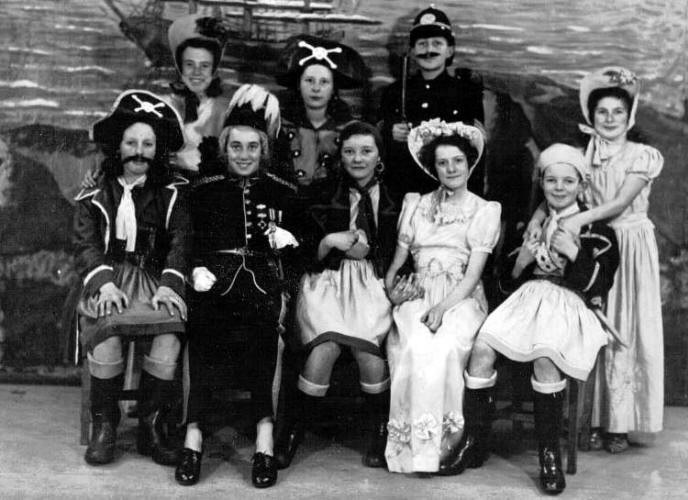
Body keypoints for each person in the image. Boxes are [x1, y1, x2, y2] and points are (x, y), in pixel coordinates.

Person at [463, 144, 619, 494]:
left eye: (568, 181)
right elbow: (503, 284)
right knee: (481, 349)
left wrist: (575, 253)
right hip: (526, 301)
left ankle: (549, 456)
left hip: (570, 303)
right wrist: (521, 262)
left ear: (582, 185)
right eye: (551, 180)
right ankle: (475, 440)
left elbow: (601, 284)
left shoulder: (598, 230)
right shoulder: (527, 224)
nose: (559, 188)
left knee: (546, 356)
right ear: (542, 183)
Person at [525, 67, 664, 453]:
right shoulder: (582, 153)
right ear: (591, 114)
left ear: (629, 115)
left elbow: (618, 204)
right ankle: (587, 418)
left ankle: (618, 424)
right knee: (590, 326)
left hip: (629, 244)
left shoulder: (642, 155)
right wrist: (537, 218)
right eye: (602, 111)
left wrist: (573, 221)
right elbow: (559, 188)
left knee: (624, 325)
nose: (609, 119)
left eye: (618, 112)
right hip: (593, 246)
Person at [175, 84, 299, 489]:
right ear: (225, 148)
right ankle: (193, 437)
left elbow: (304, 248)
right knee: (202, 329)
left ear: (264, 149)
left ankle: (264, 440)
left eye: (252, 147)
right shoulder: (204, 189)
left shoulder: (283, 191)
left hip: (262, 282)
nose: (244, 155)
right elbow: (187, 242)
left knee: (264, 331)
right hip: (213, 279)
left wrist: (290, 243)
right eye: (236, 147)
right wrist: (195, 270)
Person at [74, 90, 190, 466]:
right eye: (131, 143)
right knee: (107, 330)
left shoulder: (172, 193)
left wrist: (170, 286)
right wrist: (104, 283)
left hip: (154, 280)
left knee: (169, 332)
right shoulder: (95, 192)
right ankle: (105, 424)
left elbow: (181, 242)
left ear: (158, 150)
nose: (139, 151)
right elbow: (86, 244)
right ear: (117, 147)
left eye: (148, 144)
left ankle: (151, 428)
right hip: (108, 277)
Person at [273, 121, 398, 470]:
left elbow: (403, 251)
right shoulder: (321, 192)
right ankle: (293, 431)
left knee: (368, 354)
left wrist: (380, 262)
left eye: (366, 151)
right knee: (323, 350)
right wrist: (329, 241)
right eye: (350, 151)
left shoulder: (395, 198)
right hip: (327, 282)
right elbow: (298, 251)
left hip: (372, 284)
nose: (358, 159)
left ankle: (380, 430)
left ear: (379, 156)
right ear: (340, 155)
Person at [384, 120, 501, 474]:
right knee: (415, 345)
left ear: (469, 163)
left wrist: (442, 307)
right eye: (442, 163)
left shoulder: (483, 210)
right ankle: (413, 450)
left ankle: (446, 446)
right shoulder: (416, 204)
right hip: (418, 292)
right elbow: (396, 266)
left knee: (446, 347)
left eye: (457, 161)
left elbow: (473, 275)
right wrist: (393, 292)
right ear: (432, 167)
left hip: (459, 297)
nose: (451, 169)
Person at [378, 6, 484, 201]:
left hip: (451, 190)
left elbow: (476, 147)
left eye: (437, 43)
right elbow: (378, 139)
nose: (429, 50)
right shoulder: (395, 92)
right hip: (405, 189)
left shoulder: (466, 92)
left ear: (450, 50)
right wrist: (390, 132)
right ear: (411, 51)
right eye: (422, 44)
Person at [273, 35, 368, 193]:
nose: (316, 88)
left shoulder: (350, 130)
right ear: (298, 85)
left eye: (324, 82)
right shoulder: (279, 126)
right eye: (309, 80)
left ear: (333, 88)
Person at [166, 13, 231, 173]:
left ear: (213, 69)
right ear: (180, 67)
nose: (196, 72)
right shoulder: (166, 105)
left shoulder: (224, 111)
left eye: (204, 66)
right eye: (189, 64)